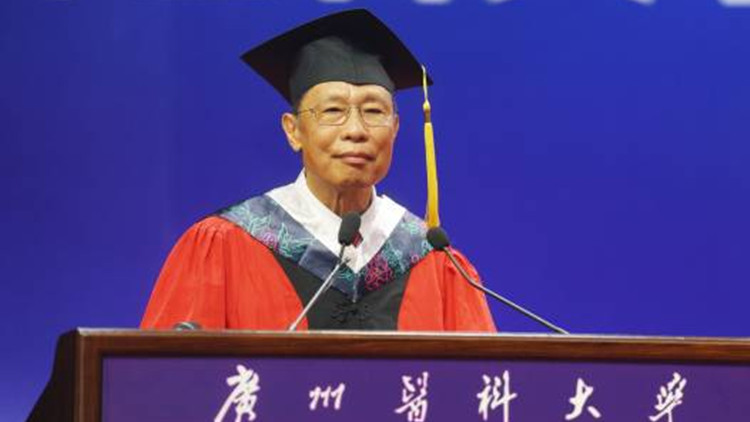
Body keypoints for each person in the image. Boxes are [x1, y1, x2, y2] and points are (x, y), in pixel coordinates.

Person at [140, 9, 496, 331]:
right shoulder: (225, 246)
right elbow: (168, 376)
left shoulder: (433, 260)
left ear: (396, 128)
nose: (355, 130)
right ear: (293, 130)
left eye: (374, 112)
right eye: (332, 111)